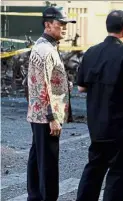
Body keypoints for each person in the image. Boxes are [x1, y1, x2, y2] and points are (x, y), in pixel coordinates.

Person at [76, 10, 123, 201]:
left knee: (94, 168)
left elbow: (81, 87)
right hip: (120, 125)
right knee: (119, 173)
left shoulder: (91, 52)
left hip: (96, 123)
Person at [26, 6, 76, 201]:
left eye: (65, 24)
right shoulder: (45, 50)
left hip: (39, 114)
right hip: (46, 117)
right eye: (60, 24)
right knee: (47, 162)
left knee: (37, 158)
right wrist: (52, 117)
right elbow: (41, 85)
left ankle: (35, 196)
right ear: (48, 24)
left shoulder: (45, 46)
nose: (64, 28)